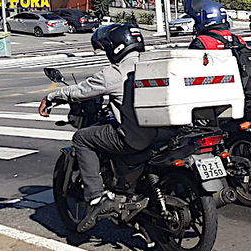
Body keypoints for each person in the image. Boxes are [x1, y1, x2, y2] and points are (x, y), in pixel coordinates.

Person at [39, 23, 164, 232]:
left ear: (115, 47)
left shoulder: (115, 73)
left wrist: (51, 97)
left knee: (82, 138)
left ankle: (96, 198)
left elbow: (80, 90)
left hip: (136, 137)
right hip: (167, 134)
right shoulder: (154, 64)